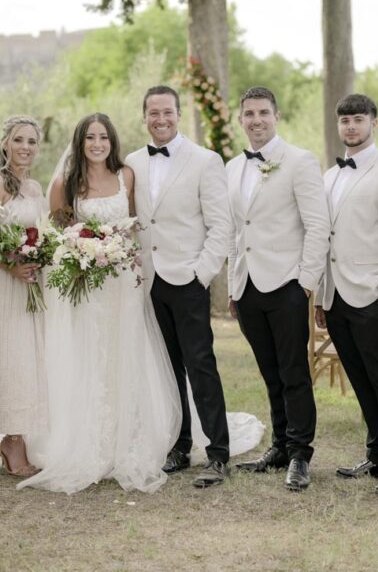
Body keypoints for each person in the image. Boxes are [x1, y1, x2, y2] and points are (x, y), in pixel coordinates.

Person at [17, 113, 181, 494]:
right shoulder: (64, 183)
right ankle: (89, 441)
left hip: (123, 284)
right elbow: (58, 238)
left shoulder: (126, 176)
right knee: (90, 357)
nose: (97, 144)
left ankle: (129, 439)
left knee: (125, 354)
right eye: (90, 137)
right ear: (80, 141)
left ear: (112, 141)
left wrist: (121, 254)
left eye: (103, 137)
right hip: (87, 288)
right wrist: (84, 252)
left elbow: (136, 226)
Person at [124, 86, 233, 488]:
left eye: (167, 112)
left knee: (200, 364)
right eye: (153, 113)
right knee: (166, 368)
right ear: (144, 117)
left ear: (178, 114)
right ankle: (179, 445)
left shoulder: (206, 160)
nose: (160, 119)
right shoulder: (132, 162)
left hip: (188, 279)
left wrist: (201, 273)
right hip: (148, 281)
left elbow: (221, 225)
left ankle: (218, 452)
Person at [315, 93, 378, 496]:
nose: (351, 127)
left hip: (375, 296)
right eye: (344, 121)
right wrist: (325, 296)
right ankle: (377, 455)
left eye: (358, 120)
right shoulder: (329, 176)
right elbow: (326, 239)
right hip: (338, 296)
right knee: (359, 378)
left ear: (374, 123)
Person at [227, 86, 328, 491]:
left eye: (263, 113)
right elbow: (237, 230)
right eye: (249, 113)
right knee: (270, 373)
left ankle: (301, 454)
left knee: (293, 372)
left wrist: (305, 282)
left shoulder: (300, 161)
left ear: (276, 116)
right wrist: (234, 286)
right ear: (241, 119)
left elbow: (317, 225)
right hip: (247, 285)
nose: (256, 120)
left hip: (287, 283)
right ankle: (281, 445)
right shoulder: (232, 167)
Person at [0, 115, 50, 477]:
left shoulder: (36, 188)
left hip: (32, 284)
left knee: (30, 361)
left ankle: (17, 437)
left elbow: (42, 233)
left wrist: (41, 258)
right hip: (5, 284)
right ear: (6, 142)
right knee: (13, 360)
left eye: (32, 142)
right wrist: (10, 265)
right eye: (19, 140)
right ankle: (11, 440)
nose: (26, 147)